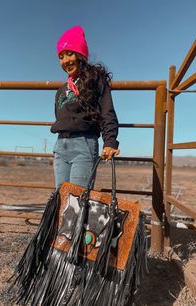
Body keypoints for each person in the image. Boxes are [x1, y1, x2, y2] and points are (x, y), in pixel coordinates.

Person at [51, 25, 120, 188]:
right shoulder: (61, 90)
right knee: (60, 198)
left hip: (84, 144)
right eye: (61, 57)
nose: (65, 61)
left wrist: (110, 142)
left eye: (69, 53)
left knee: (78, 199)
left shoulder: (95, 80)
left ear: (80, 54)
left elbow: (107, 111)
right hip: (61, 145)